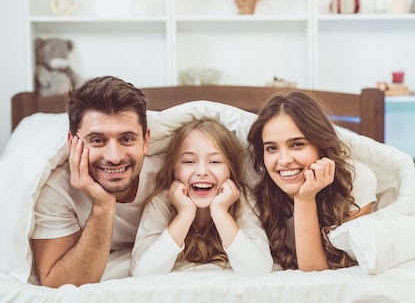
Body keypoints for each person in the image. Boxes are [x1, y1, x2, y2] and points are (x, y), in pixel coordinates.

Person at [31, 75, 158, 287]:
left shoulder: (173, 171)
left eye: (127, 139)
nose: (114, 156)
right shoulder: (55, 188)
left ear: (146, 140)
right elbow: (58, 283)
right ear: (73, 142)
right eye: (97, 140)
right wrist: (103, 205)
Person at [247, 91, 376, 272]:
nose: (284, 160)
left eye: (297, 144)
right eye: (271, 148)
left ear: (321, 145)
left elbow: (314, 272)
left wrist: (305, 199)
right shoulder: (255, 186)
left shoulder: (357, 180)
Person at [131, 118, 273, 277]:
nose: (202, 171)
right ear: (174, 170)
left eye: (215, 161)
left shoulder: (242, 200)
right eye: (189, 161)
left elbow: (258, 270)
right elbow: (143, 272)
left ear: (230, 170)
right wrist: (185, 214)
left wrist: (220, 212)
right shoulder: (161, 202)